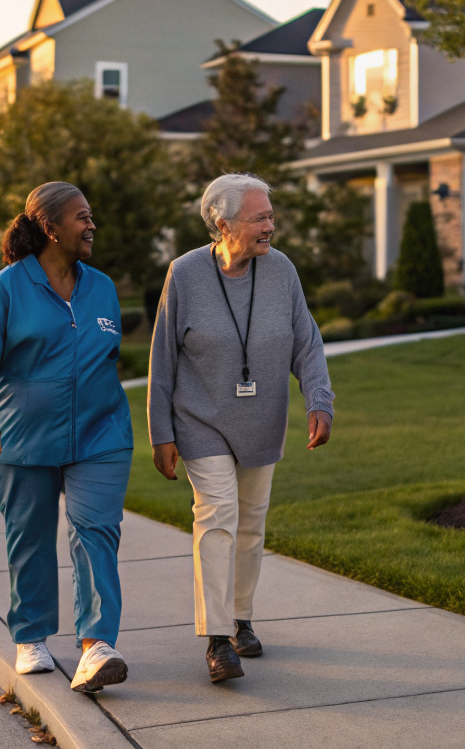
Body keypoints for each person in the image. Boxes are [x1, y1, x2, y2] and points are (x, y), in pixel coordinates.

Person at [147, 172, 335, 683]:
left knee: (251, 523)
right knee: (218, 516)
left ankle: (241, 619)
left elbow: (307, 342)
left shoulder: (281, 272)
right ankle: (215, 638)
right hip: (201, 419)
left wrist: (320, 400)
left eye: (271, 216)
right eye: (260, 218)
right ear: (223, 224)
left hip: (263, 420)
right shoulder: (184, 274)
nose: (271, 225)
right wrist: (160, 432)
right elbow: (162, 359)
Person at [0, 182, 133, 694]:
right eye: (81, 217)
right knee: (29, 537)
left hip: (102, 432)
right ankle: (30, 637)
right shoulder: (9, 286)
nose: (91, 224)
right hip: (22, 437)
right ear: (50, 228)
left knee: (96, 530)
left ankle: (97, 646)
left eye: (91, 216)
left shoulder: (102, 287)